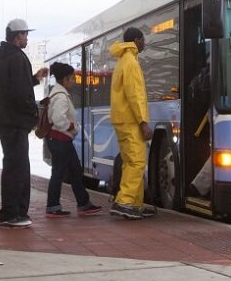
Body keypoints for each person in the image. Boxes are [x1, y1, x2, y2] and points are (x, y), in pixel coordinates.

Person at [0, 18, 48, 229]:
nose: (27, 38)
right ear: (18, 36)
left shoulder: (1, 57)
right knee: (19, 169)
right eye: (25, 34)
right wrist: (34, 112)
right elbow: (19, 93)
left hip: (5, 120)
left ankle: (10, 212)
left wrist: (34, 78)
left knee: (12, 166)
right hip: (15, 122)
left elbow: (12, 86)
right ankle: (12, 213)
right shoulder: (17, 57)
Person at [43, 62, 102, 218]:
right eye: (72, 78)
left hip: (59, 140)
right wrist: (71, 126)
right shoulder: (61, 97)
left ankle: (83, 203)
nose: (74, 81)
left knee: (75, 171)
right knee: (60, 173)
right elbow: (58, 119)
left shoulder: (56, 93)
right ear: (65, 79)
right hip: (60, 140)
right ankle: (54, 206)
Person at [109, 27, 154, 220]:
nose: (145, 43)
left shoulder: (122, 61)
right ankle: (125, 201)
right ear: (137, 40)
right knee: (137, 161)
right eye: (143, 40)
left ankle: (135, 205)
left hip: (121, 118)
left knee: (129, 161)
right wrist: (143, 121)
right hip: (131, 120)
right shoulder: (131, 63)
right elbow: (135, 95)